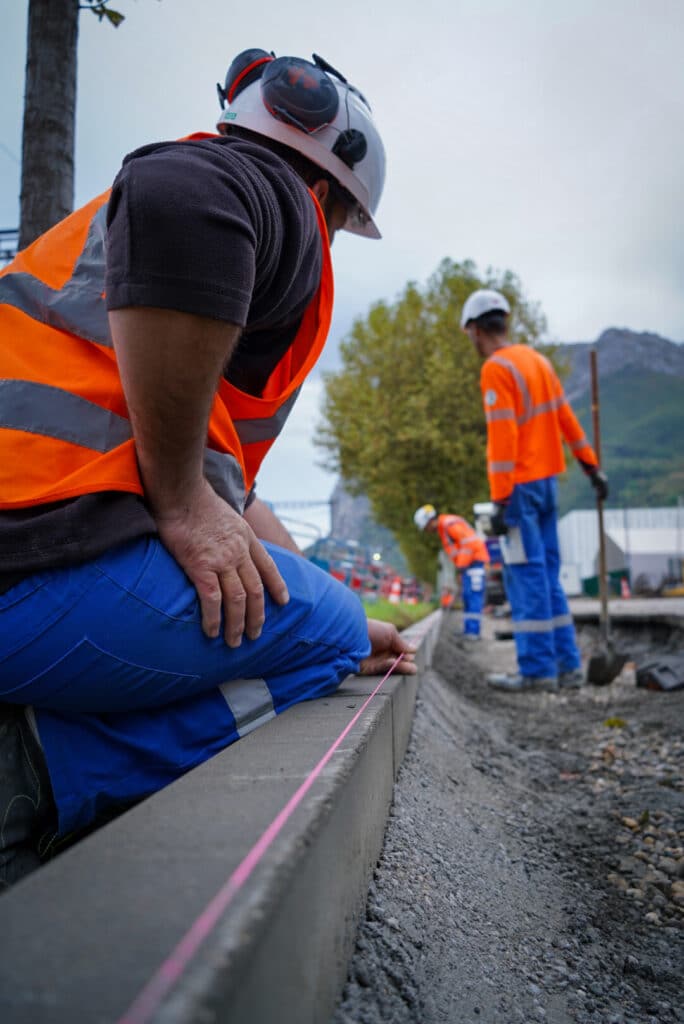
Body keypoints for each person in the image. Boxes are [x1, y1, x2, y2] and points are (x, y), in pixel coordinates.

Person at [0, 49, 416, 887]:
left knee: (323, 616)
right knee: (326, 638)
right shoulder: (276, 192)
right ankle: (42, 771)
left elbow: (237, 486)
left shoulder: (109, 281)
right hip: (30, 571)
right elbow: (178, 194)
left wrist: (230, 519)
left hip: (31, 547)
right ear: (333, 194)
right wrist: (184, 500)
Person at [460, 288, 608, 692]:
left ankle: (537, 671)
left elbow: (503, 437)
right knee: (548, 576)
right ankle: (567, 667)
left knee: (525, 576)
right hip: (548, 485)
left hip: (520, 492)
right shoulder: (537, 362)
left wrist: (500, 497)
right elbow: (567, 420)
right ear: (504, 321)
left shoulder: (497, 368)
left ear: (475, 330)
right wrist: (591, 467)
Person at [414, 504, 490, 638]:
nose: (427, 530)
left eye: (426, 527)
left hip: (474, 563)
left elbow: (468, 544)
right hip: (469, 565)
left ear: (429, 521)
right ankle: (469, 630)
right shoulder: (444, 527)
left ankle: (473, 632)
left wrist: (462, 567)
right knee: (468, 597)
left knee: (473, 596)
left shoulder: (449, 524)